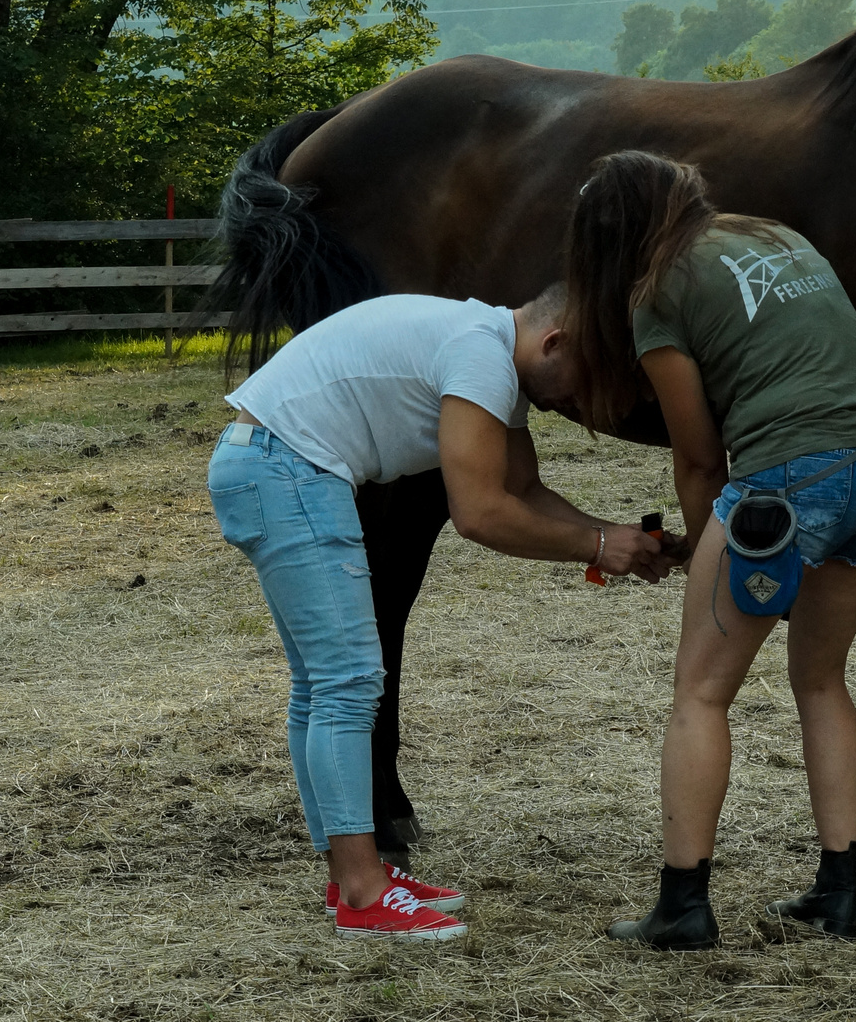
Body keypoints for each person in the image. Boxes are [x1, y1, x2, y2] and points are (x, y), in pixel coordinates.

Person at [208, 287, 672, 940]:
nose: (582, 406)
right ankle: (364, 891)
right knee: (347, 682)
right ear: (555, 342)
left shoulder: (489, 356)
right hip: (288, 470)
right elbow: (480, 512)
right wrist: (597, 545)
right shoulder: (479, 354)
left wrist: (611, 534)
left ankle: (351, 877)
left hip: (266, 463)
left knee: (323, 685)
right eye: (584, 384)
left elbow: (523, 490)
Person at [565, 151, 856, 950]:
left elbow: (698, 457)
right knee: (821, 679)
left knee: (700, 692)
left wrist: (701, 552)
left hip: (783, 491)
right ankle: (837, 893)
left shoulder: (656, 295)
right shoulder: (777, 235)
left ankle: (682, 907)